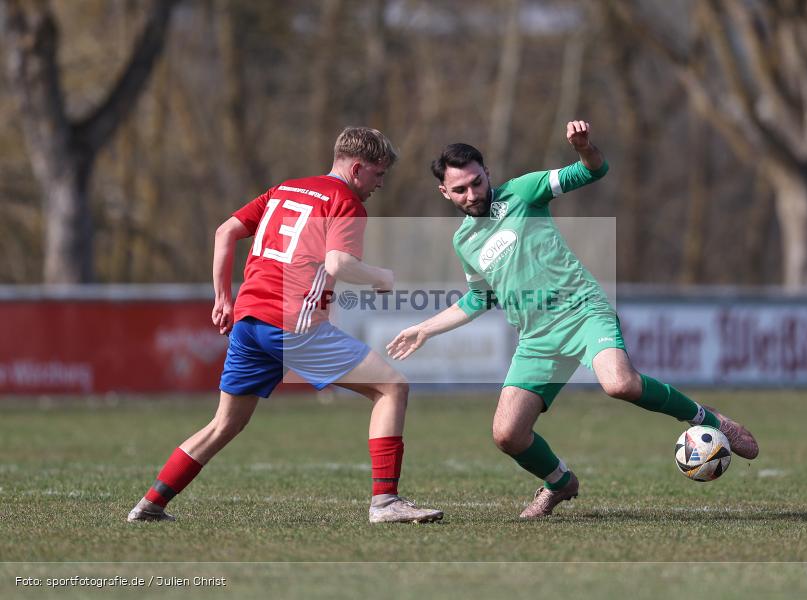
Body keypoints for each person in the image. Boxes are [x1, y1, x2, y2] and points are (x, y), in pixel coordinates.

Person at [386, 120, 758, 519]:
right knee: (507, 435)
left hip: (582, 312)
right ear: (445, 192)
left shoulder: (524, 192)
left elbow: (594, 170)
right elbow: (480, 298)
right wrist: (425, 328)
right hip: (536, 339)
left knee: (620, 385)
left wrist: (584, 147)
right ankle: (560, 484)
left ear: (487, 173)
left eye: (476, 182)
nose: (471, 193)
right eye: (460, 189)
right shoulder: (464, 241)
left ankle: (706, 417)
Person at [128, 127, 443, 524]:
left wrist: (222, 297)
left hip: (248, 320)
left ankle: (150, 504)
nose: (380, 184)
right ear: (358, 168)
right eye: (379, 175)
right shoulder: (345, 200)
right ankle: (385, 503)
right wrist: (382, 276)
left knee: (226, 422)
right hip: (293, 322)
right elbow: (339, 264)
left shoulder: (285, 189)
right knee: (392, 387)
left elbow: (225, 231)